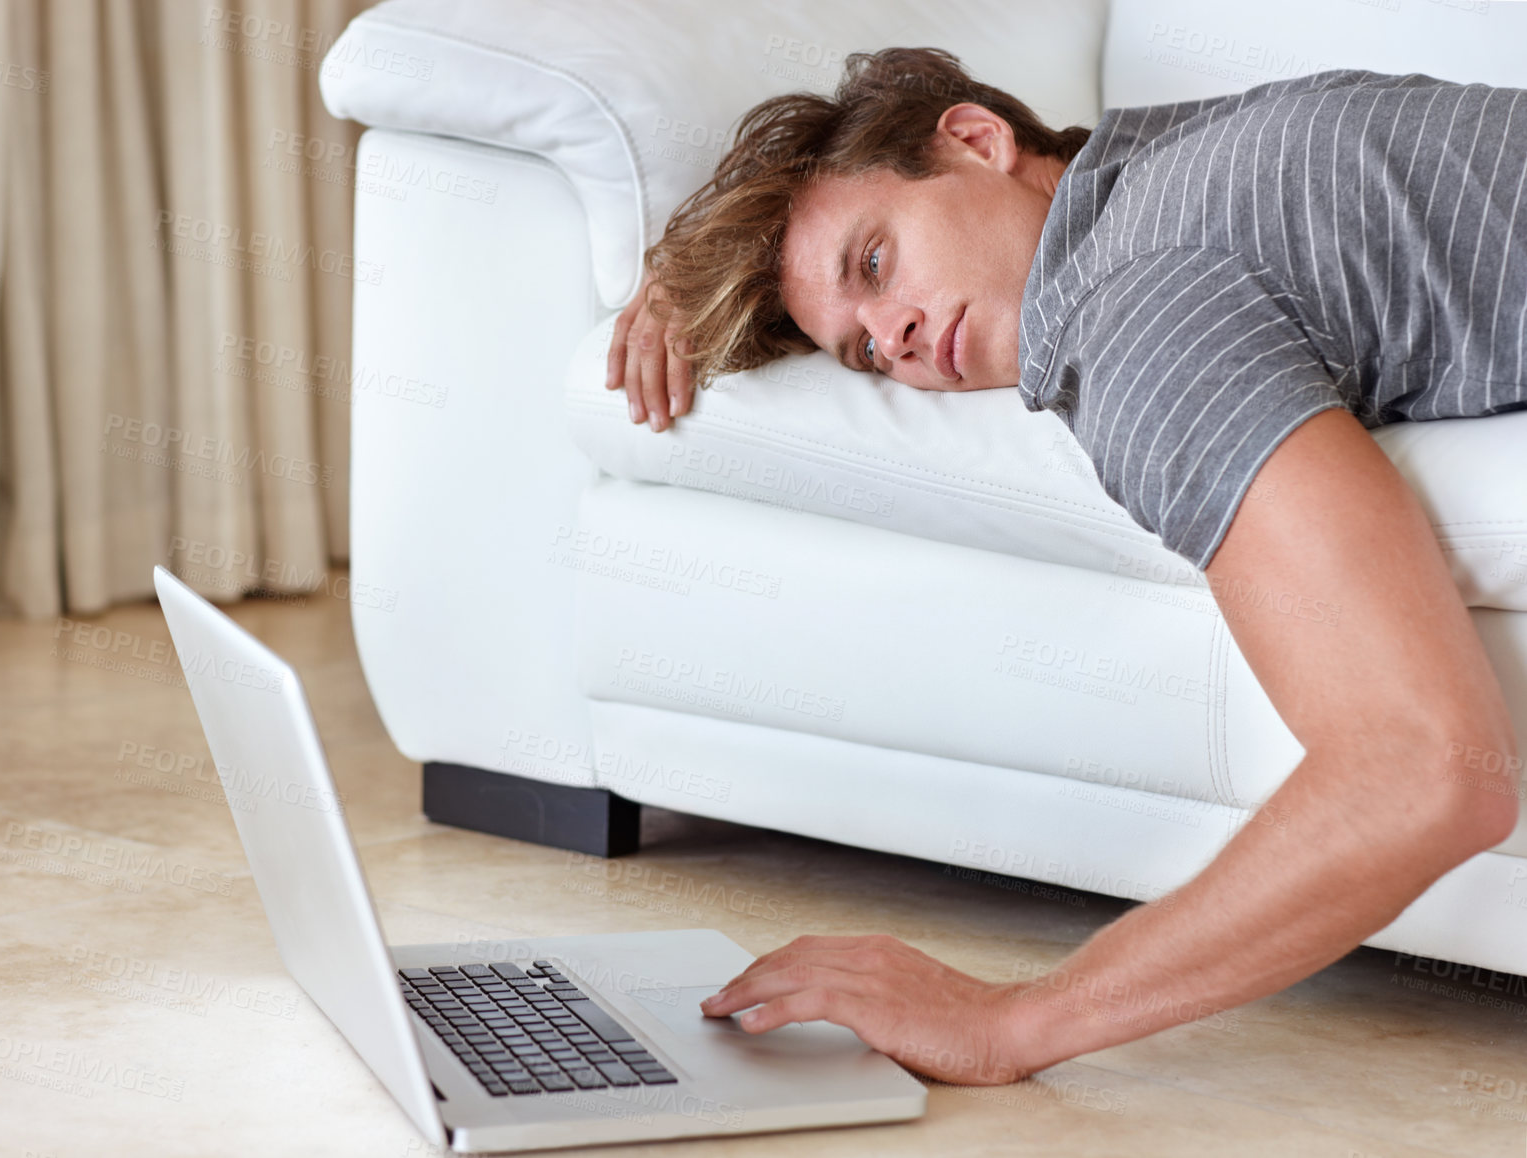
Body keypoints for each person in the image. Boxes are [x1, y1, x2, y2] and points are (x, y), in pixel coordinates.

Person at [605, 47, 1526, 1084]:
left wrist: (1010, 1020)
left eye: (875, 263)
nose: (894, 336)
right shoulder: (1185, 164)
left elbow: (1425, 769)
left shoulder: (1138, 313)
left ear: (976, 138)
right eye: (862, 351)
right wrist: (687, 276)